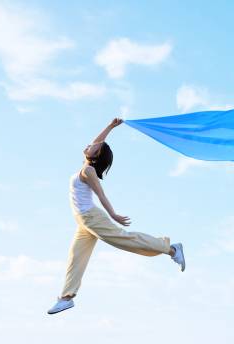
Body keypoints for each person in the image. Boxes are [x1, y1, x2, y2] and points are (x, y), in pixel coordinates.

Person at [47, 117, 185, 315]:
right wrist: (111, 126)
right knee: (76, 257)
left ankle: (170, 248)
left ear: (97, 155)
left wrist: (113, 214)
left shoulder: (88, 171)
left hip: (91, 218)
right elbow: (98, 141)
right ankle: (66, 297)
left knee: (125, 240)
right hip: (83, 222)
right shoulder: (85, 164)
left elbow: (101, 194)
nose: (90, 144)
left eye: (95, 146)